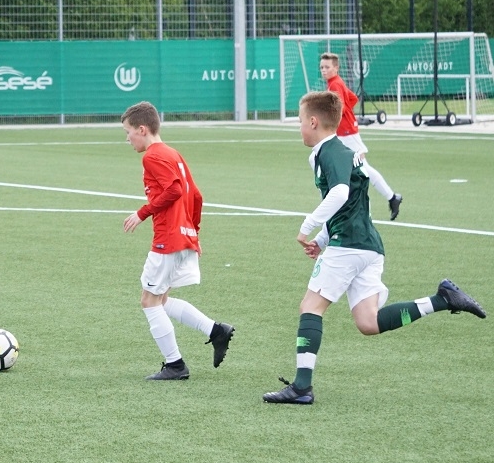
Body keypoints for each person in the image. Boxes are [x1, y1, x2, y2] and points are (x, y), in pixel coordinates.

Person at [262, 90, 486, 405]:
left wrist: (308, 224)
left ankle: (301, 387)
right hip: (367, 245)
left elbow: (340, 194)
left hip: (349, 245)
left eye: (300, 121)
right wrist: (322, 240)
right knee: (369, 322)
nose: (299, 127)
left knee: (310, 307)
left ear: (313, 122)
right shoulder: (343, 152)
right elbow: (354, 203)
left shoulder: (330, 152)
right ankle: (441, 299)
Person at [120, 101, 235, 381]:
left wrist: (142, 213)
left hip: (168, 238)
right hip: (183, 236)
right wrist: (194, 232)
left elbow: (173, 190)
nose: (127, 138)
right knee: (161, 299)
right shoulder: (173, 154)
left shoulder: (152, 156)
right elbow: (196, 195)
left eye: (128, 132)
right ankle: (216, 331)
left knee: (149, 301)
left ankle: (175, 365)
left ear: (142, 129)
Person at [320, 52, 402, 220]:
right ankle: (386, 201)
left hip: (348, 133)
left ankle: (388, 200)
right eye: (322, 67)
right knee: (357, 171)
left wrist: (332, 118)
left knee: (363, 170)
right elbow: (352, 98)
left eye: (327, 67)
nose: (324, 70)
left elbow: (341, 107)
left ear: (336, 68)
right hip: (344, 133)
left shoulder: (335, 85)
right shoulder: (335, 83)